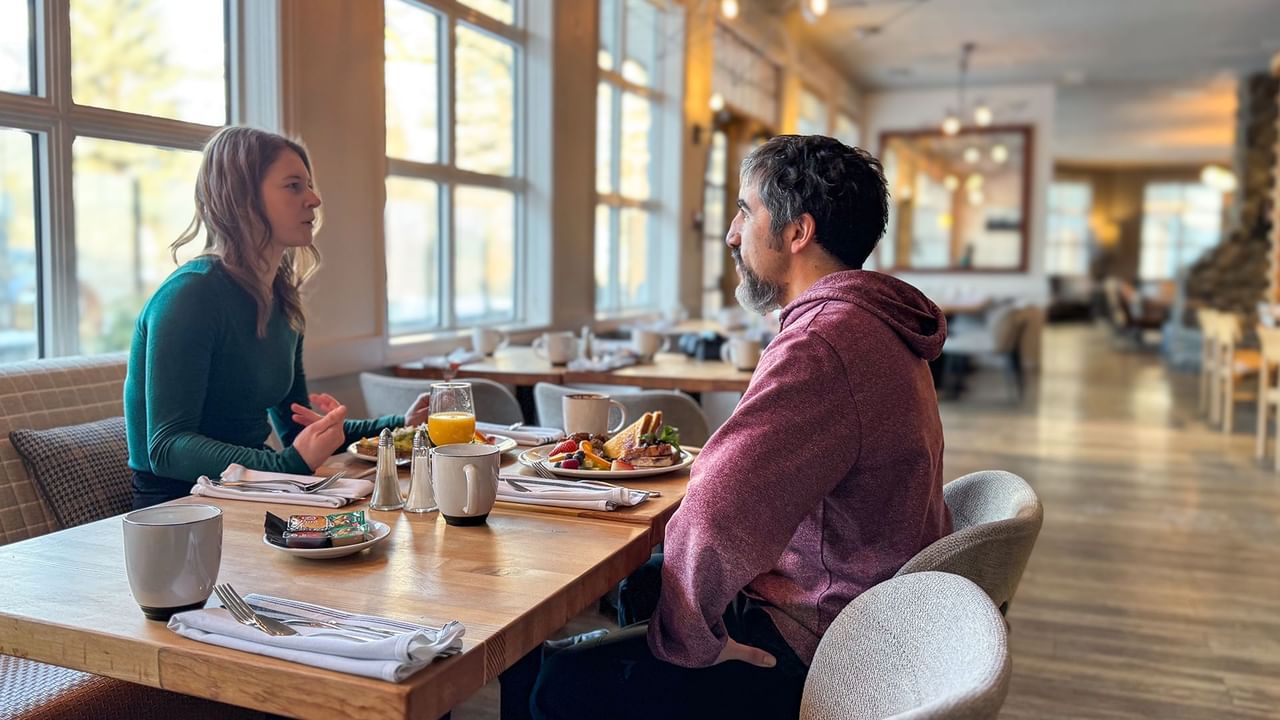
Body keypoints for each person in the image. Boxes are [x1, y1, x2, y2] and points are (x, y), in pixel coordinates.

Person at [529, 135, 953, 720]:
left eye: (745, 212)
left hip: (824, 639)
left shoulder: (822, 342)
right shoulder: (873, 322)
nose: (732, 233)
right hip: (874, 609)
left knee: (560, 682)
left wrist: (693, 645)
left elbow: (718, 505)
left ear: (798, 232)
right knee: (644, 584)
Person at [124, 126, 426, 509]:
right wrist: (285, 467)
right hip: (181, 509)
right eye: (294, 186)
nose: (314, 199)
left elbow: (295, 424)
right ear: (242, 199)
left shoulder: (282, 298)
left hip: (256, 491)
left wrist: (399, 425)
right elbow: (167, 448)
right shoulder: (190, 295)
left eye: (309, 186)